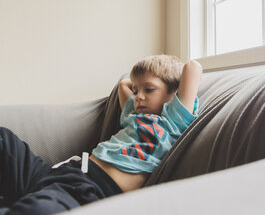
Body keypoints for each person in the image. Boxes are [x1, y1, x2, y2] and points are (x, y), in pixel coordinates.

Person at [0, 55, 203, 215]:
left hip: (88, 189)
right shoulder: (134, 117)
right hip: (61, 173)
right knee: (4, 139)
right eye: (136, 90)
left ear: (173, 92)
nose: (139, 96)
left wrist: (165, 73)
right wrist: (140, 86)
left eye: (149, 90)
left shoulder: (172, 123)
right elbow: (124, 85)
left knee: (40, 210)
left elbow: (193, 68)